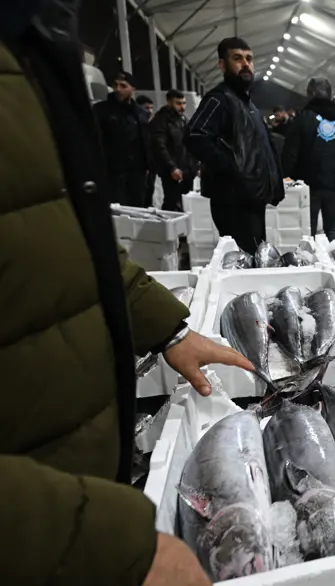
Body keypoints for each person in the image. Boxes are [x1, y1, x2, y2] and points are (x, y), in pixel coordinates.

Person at [0, 5, 256, 585]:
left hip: (75, 487)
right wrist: (101, 544)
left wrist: (168, 328)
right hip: (49, 535)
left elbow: (67, 237)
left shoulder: (29, 45)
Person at [185, 37, 283, 255]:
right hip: (234, 202)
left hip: (252, 199)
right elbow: (195, 136)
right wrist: (232, 169)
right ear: (222, 65)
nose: (245, 64)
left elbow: (260, 147)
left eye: (249, 59)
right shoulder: (219, 100)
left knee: (256, 256)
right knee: (243, 260)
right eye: (237, 58)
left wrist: (274, 185)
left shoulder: (247, 104)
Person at [282, 78, 335, 241]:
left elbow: (290, 152)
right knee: (333, 227)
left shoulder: (302, 119)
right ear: (330, 95)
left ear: (309, 94)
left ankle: (308, 257)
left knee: (306, 230)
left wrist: (286, 177)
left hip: (307, 185)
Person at [93, 71, 152, 207]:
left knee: (138, 207)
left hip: (137, 172)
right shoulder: (101, 110)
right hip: (113, 171)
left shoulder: (141, 113)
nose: (118, 89)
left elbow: (146, 140)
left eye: (123, 86)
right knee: (118, 208)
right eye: (115, 85)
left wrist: (148, 166)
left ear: (133, 89)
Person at [151, 89, 198, 212]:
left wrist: (195, 166)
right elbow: (159, 146)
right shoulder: (161, 121)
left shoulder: (183, 120)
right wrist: (171, 167)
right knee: (172, 203)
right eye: (178, 103)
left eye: (184, 103)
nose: (182, 107)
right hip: (172, 172)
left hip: (187, 171)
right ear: (169, 102)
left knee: (187, 205)